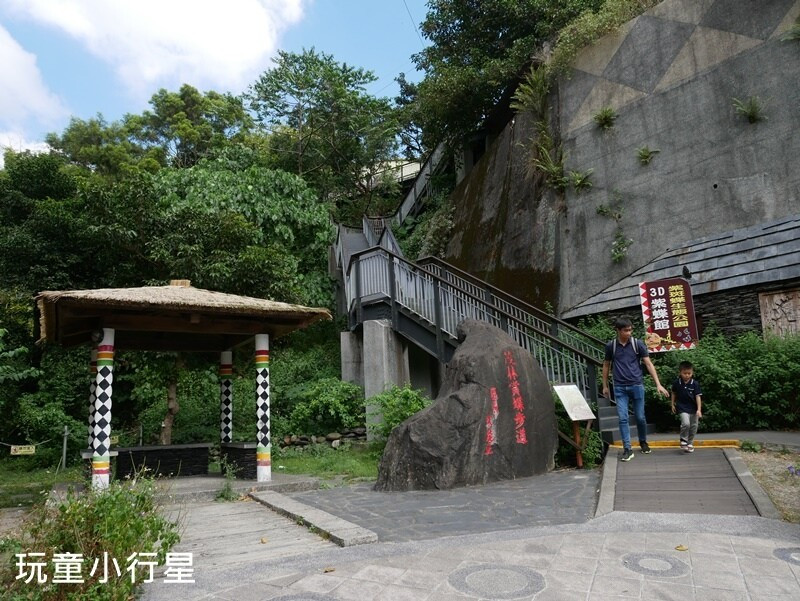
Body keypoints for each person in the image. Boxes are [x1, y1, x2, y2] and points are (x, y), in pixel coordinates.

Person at [602, 317, 669, 462]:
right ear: (618, 331)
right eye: (626, 330)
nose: (629, 332)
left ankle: (643, 441)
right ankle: (627, 448)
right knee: (623, 418)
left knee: (640, 417)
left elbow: (648, 364)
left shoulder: (637, 344)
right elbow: (606, 365)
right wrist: (605, 385)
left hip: (636, 385)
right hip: (619, 387)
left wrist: (658, 383)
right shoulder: (611, 346)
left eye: (630, 329)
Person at [671, 360, 703, 452]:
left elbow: (698, 396)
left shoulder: (695, 383)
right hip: (682, 407)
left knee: (694, 426)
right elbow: (673, 392)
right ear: (680, 373)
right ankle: (683, 440)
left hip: (693, 408)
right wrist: (672, 404)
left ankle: (690, 443)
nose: (687, 375)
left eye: (689, 373)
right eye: (685, 373)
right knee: (686, 423)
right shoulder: (677, 383)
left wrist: (699, 409)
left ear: (692, 373)